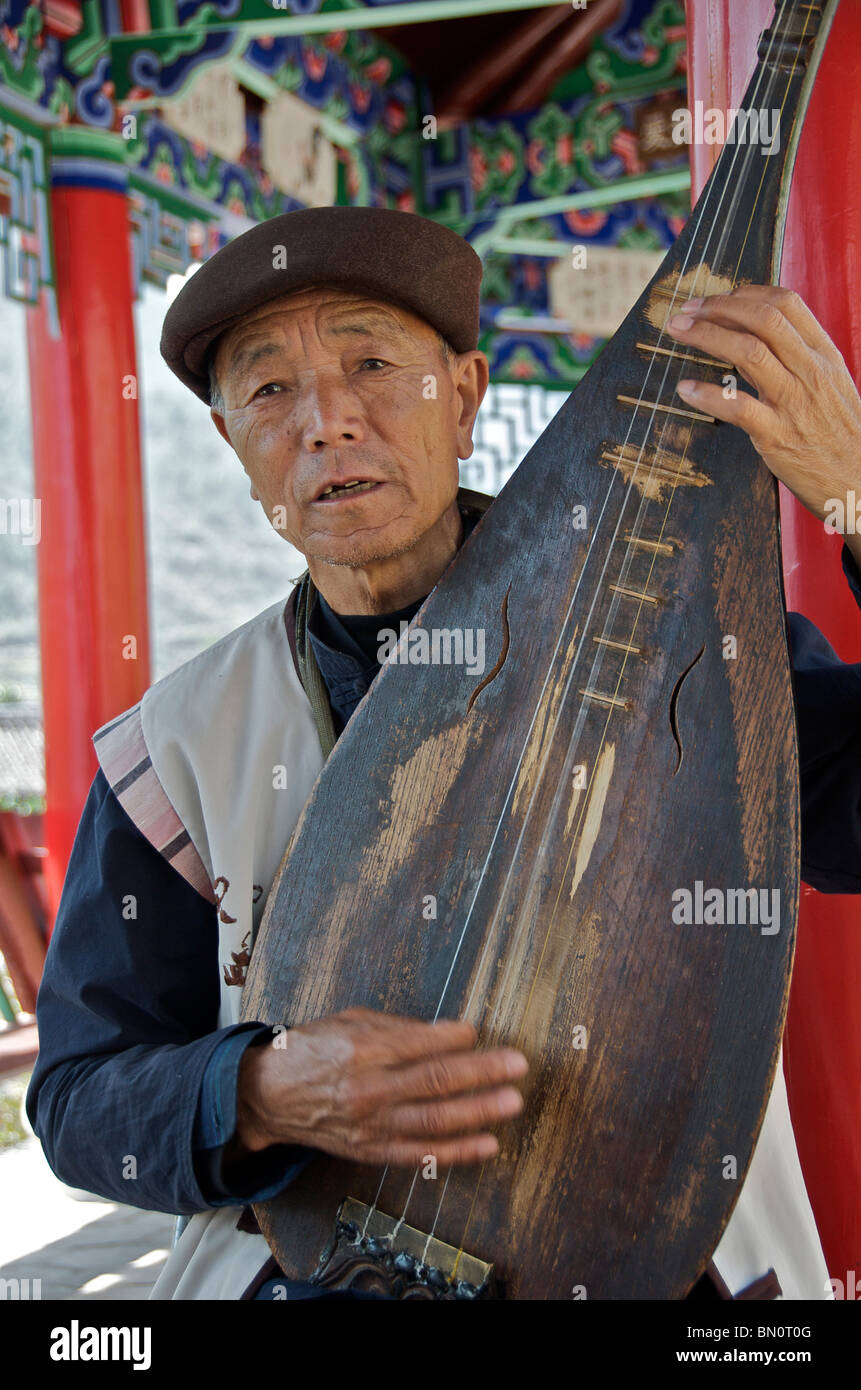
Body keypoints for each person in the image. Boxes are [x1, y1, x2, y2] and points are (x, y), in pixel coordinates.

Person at [26, 207, 861, 1301]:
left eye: (371, 362)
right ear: (235, 448)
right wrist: (265, 1088)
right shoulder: (183, 741)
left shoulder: (685, 638)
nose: (326, 421)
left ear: (464, 399)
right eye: (270, 390)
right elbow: (81, 1099)